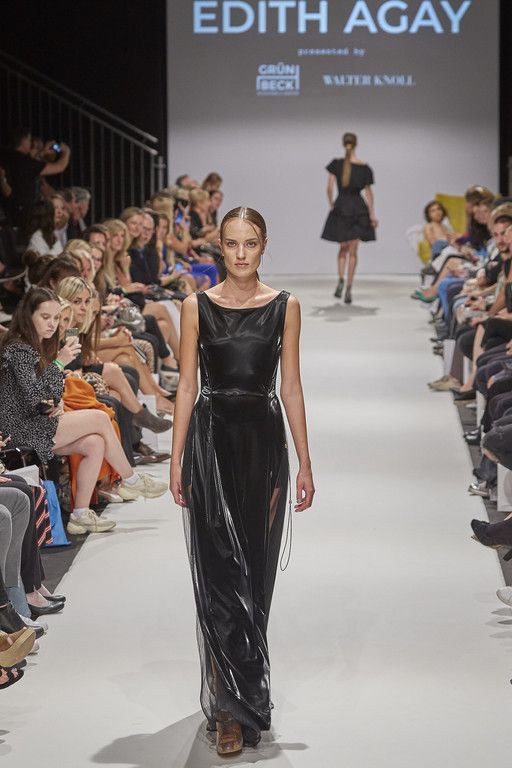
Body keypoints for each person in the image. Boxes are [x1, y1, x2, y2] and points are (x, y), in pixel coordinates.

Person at [170, 206, 315, 756]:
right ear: (220, 246)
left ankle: (248, 696)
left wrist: (305, 462)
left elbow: (291, 387)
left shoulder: (284, 307)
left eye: (250, 243)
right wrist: (177, 457)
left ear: (264, 245)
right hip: (210, 443)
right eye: (232, 243)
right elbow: (186, 386)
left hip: (262, 444)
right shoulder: (195, 306)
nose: (240, 254)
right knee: (218, 575)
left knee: (253, 573)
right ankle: (229, 713)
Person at [0, 287, 168, 535]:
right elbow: (31, 394)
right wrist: (60, 362)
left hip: (33, 421)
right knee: (100, 418)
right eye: (46, 317)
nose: (52, 324)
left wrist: (55, 401)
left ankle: (80, 515)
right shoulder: (19, 349)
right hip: (18, 430)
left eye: (56, 318)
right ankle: (130, 479)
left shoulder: (35, 345)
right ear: (28, 315)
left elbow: (39, 392)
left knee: (94, 443)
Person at [321, 132, 377, 303]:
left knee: (342, 249)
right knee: (353, 251)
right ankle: (349, 288)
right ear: (356, 144)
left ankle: (340, 279)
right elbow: (369, 193)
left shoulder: (336, 164)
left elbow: (329, 188)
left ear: (343, 143)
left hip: (341, 207)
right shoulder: (364, 167)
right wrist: (372, 214)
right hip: (358, 209)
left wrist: (332, 204)